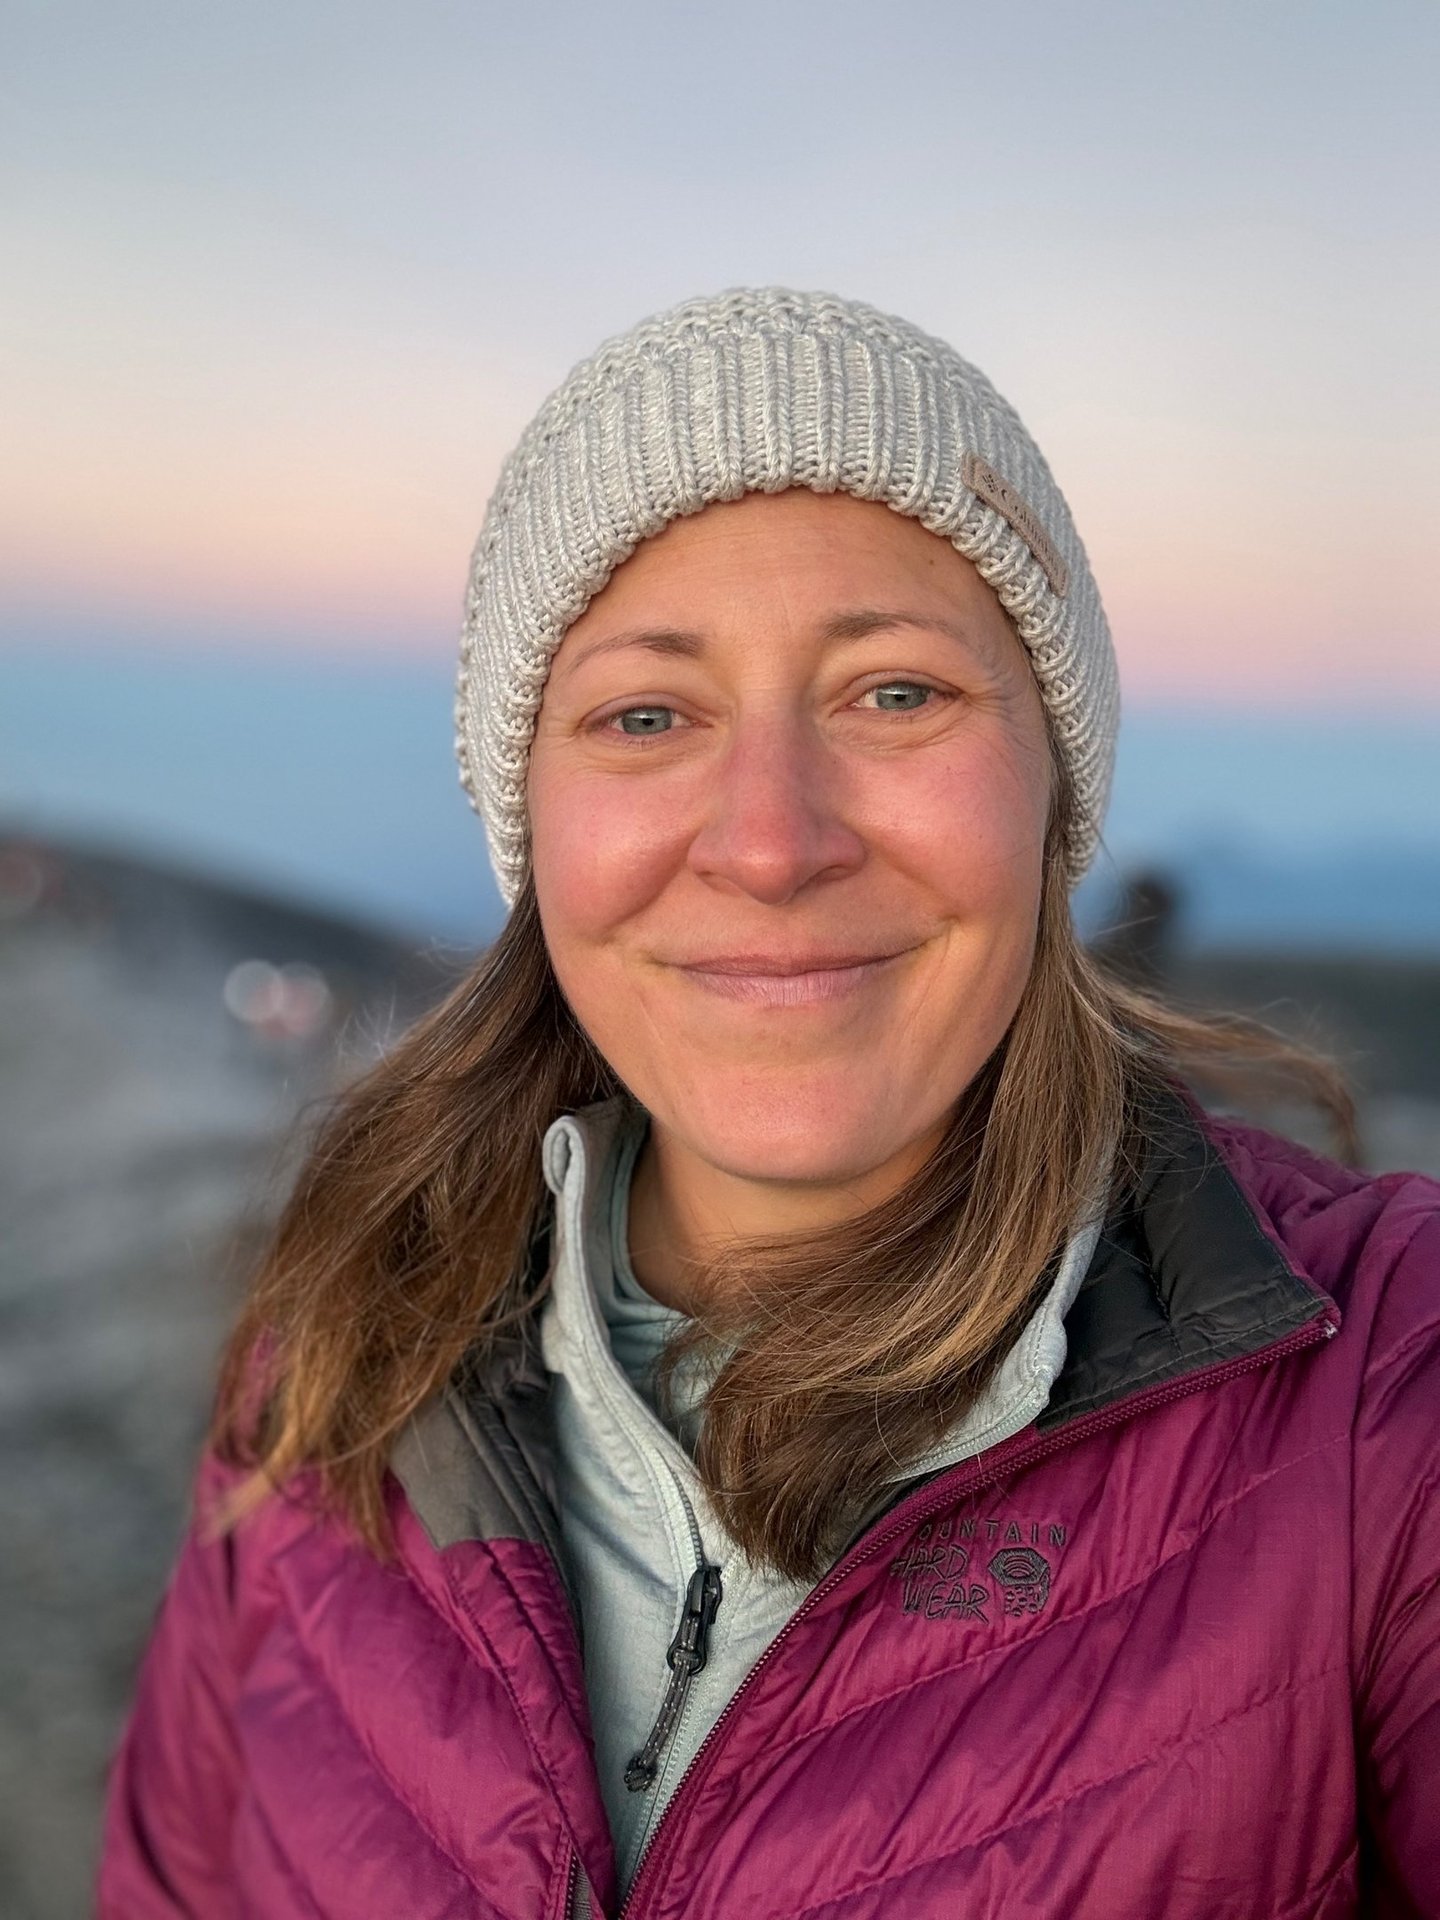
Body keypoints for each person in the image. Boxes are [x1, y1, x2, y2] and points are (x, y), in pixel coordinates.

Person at [97, 289, 1440, 1918]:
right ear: (533, 825)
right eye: (646, 716)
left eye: (894, 694)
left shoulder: (1380, 1386)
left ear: (1052, 787)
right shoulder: (334, 1374)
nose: (770, 839)